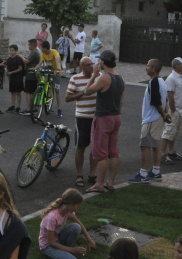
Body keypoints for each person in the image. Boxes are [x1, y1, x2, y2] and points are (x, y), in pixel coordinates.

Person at [84, 50, 125, 193]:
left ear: (102, 61)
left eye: (99, 60)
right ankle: (110, 182)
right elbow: (121, 101)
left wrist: (94, 75)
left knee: (101, 153)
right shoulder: (120, 78)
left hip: (103, 117)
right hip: (116, 116)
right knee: (113, 151)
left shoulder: (104, 78)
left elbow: (87, 91)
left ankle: (99, 184)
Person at [129, 59, 171, 184]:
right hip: (158, 118)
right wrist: (166, 114)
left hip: (151, 119)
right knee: (156, 145)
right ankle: (156, 171)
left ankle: (143, 173)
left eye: (148, 66)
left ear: (153, 69)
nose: (146, 68)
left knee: (145, 145)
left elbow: (156, 101)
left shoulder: (154, 82)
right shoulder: (162, 81)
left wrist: (164, 114)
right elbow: (166, 100)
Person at [39, 189, 95, 259]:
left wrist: (89, 240)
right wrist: (72, 250)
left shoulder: (68, 211)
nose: (78, 208)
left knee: (76, 227)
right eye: (77, 206)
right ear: (71, 204)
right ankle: (61, 254)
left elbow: (78, 223)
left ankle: (64, 250)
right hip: (48, 246)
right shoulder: (52, 217)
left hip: (57, 239)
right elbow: (51, 242)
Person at [66, 56, 98, 187]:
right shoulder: (75, 78)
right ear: (81, 67)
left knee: (95, 148)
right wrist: (83, 93)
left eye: (92, 63)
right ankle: (80, 174)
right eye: (88, 64)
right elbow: (68, 98)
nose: (91, 66)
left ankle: (93, 174)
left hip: (97, 118)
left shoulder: (99, 77)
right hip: (82, 117)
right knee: (81, 147)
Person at [161, 57, 182, 165]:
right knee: (168, 132)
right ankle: (162, 154)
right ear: (177, 66)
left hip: (180, 110)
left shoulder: (179, 77)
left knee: (174, 132)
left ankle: (171, 151)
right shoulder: (171, 78)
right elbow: (169, 95)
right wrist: (172, 110)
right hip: (174, 110)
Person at [41, 40, 64, 117]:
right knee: (43, 83)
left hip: (56, 72)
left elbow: (57, 60)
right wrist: (35, 68)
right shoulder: (43, 54)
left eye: (42, 48)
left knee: (57, 90)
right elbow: (40, 63)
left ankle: (59, 109)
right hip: (49, 70)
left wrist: (58, 69)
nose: (41, 49)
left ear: (45, 48)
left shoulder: (54, 52)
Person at [20, 39, 41, 116]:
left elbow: (26, 62)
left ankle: (28, 109)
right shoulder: (35, 52)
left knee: (28, 92)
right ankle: (34, 108)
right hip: (33, 75)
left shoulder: (34, 52)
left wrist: (22, 57)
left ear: (33, 45)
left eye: (29, 45)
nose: (28, 46)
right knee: (32, 92)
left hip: (31, 75)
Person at [5, 44, 24, 113]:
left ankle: (18, 107)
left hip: (18, 78)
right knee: (12, 92)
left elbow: (20, 68)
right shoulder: (9, 59)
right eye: (10, 50)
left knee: (18, 92)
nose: (11, 52)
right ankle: (13, 105)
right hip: (12, 78)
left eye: (12, 50)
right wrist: (7, 71)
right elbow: (7, 66)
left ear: (16, 51)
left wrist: (12, 72)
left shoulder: (18, 58)